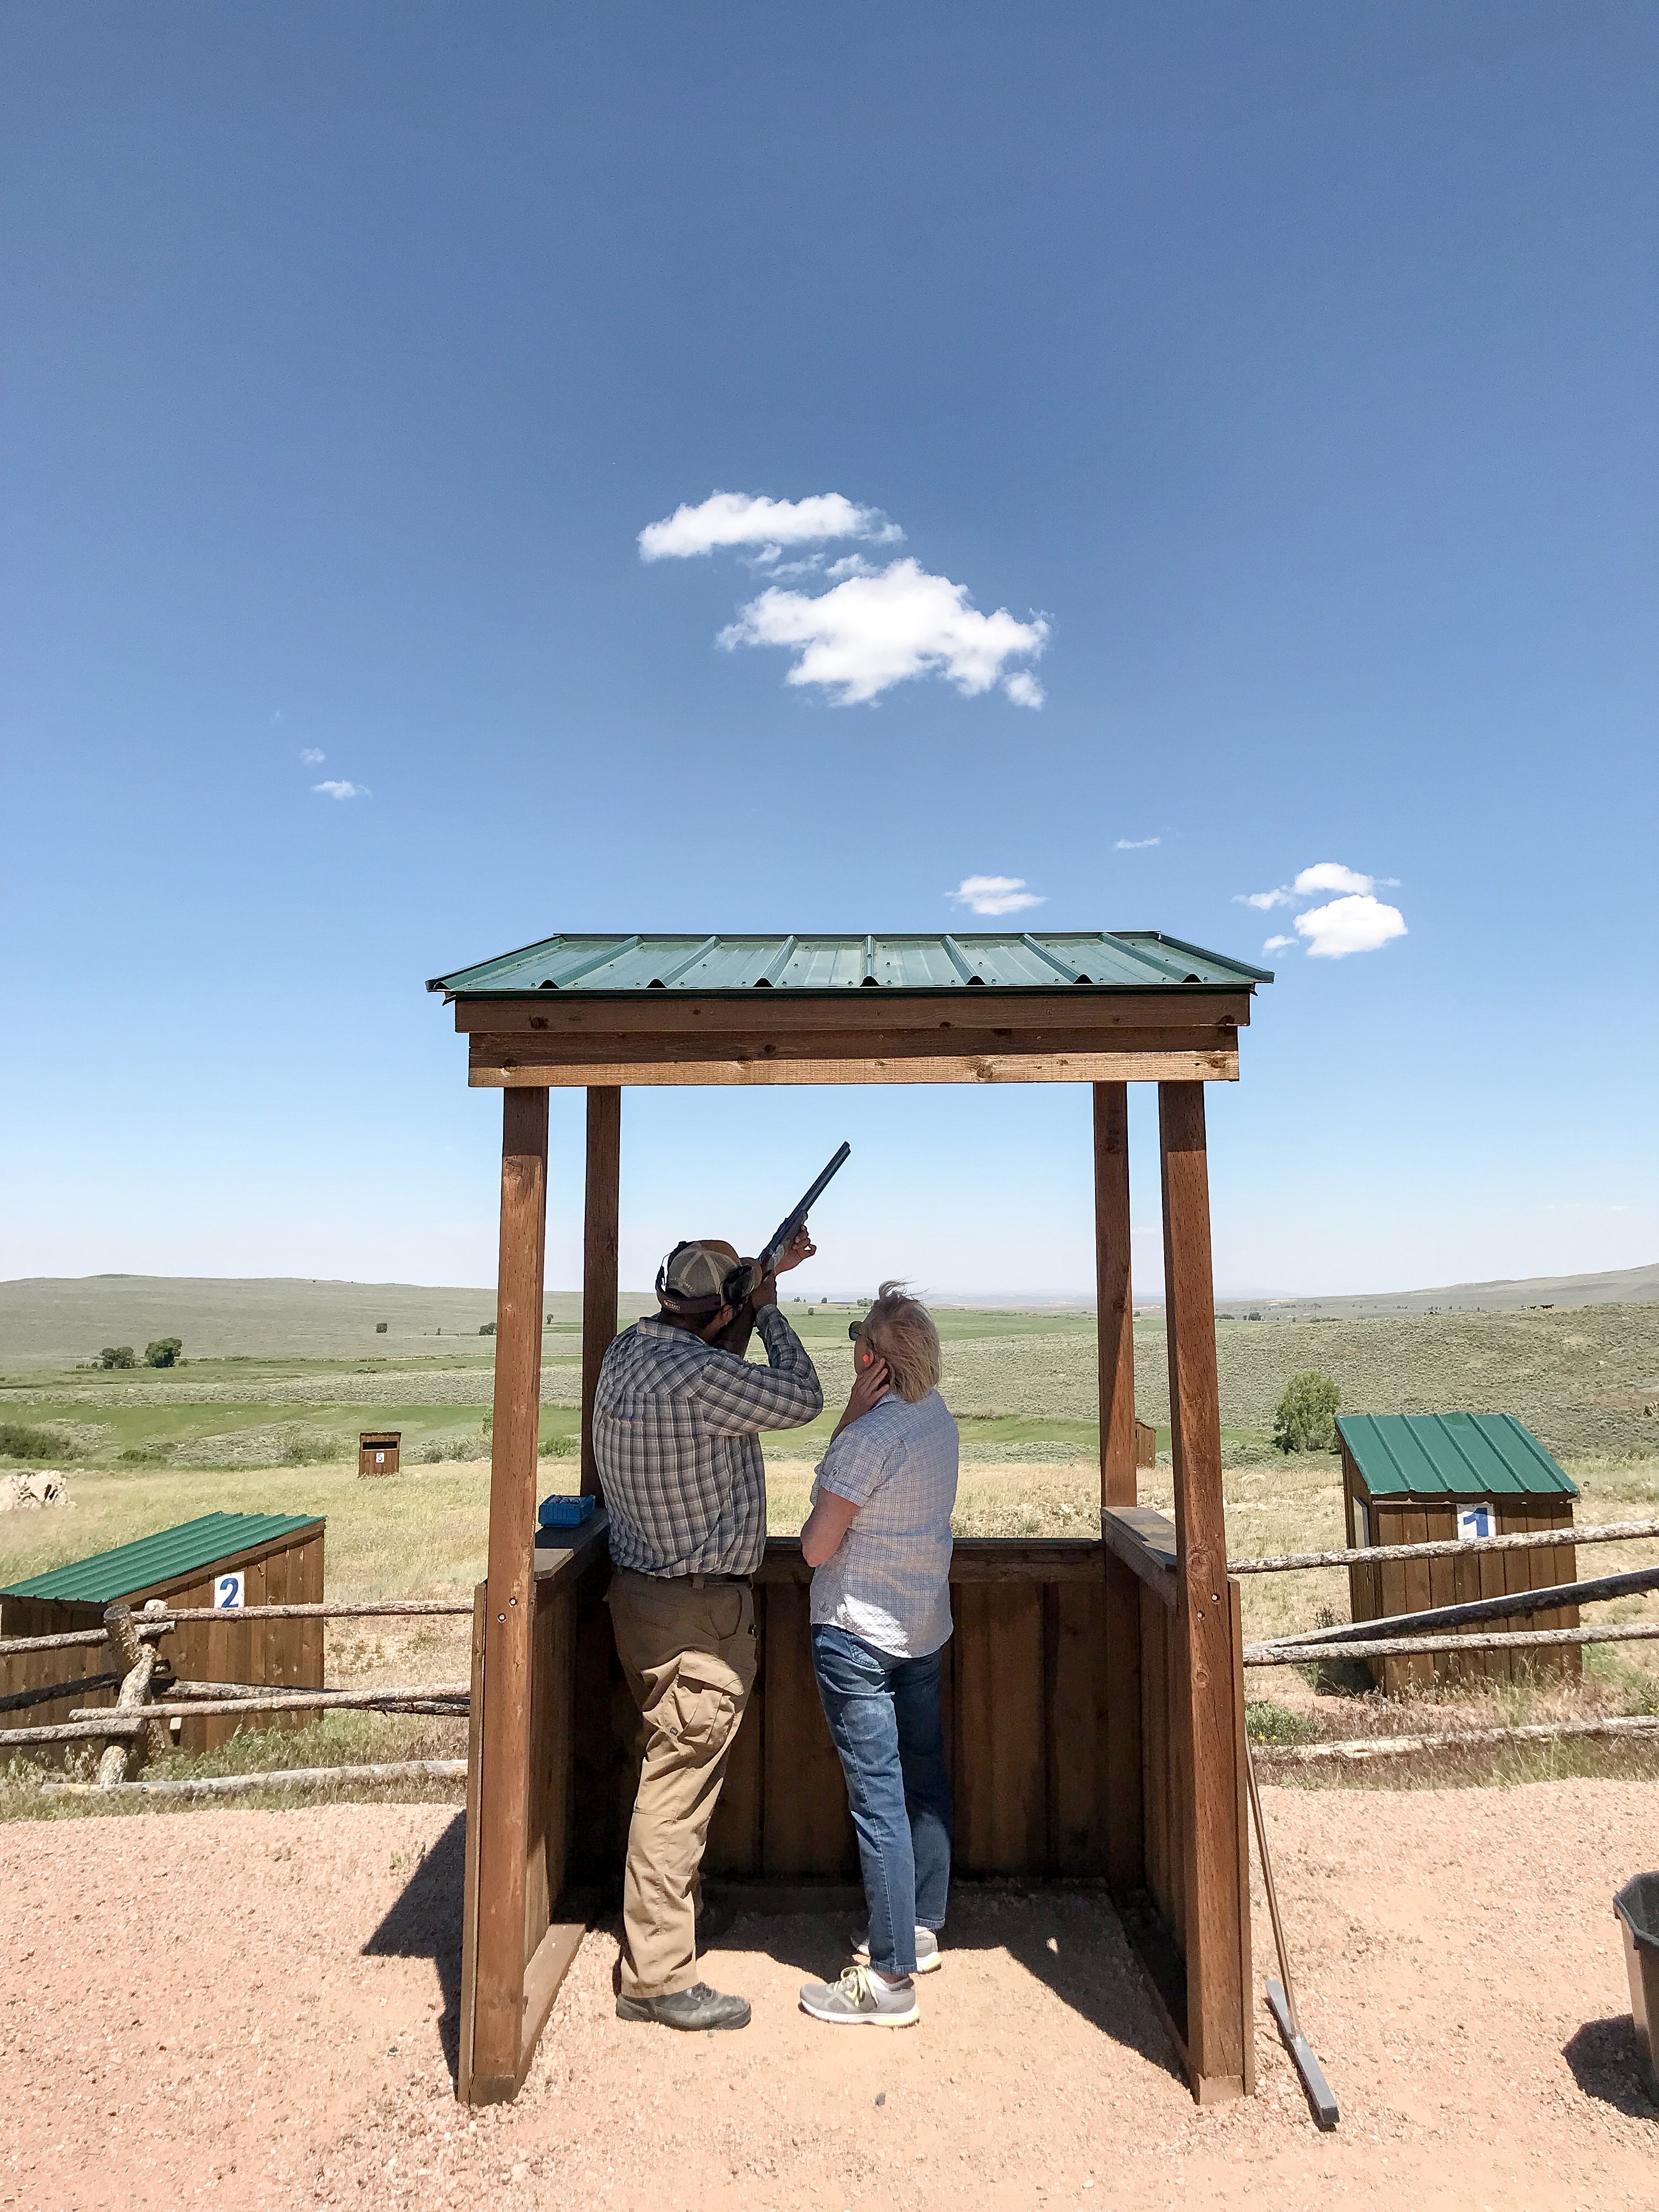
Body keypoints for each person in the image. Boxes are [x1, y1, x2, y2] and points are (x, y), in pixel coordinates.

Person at [596, 1227, 821, 2032]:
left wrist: (747, 1294)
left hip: (640, 1596)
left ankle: (670, 1925)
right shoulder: (700, 1375)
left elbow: (708, 1343)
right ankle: (656, 1976)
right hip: (699, 1613)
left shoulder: (629, 1353)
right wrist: (769, 1310)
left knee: (670, 1770)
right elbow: (802, 1397)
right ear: (723, 1312)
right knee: (677, 1787)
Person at [795, 1282, 958, 2027]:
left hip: (858, 1633)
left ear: (872, 1361)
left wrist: (848, 1420)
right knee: (920, 1781)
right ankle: (918, 1927)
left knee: (878, 1803)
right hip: (923, 1627)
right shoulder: (937, 1420)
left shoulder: (868, 1437)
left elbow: (815, 1546)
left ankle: (889, 1980)